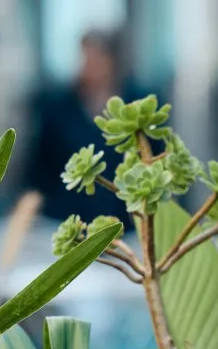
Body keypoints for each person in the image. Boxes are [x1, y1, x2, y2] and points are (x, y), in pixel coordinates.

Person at [23, 29, 141, 224]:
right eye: (85, 57)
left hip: (124, 222)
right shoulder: (57, 107)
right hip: (67, 218)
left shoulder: (135, 103)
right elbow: (38, 170)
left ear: (111, 60)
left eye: (96, 58)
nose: (88, 65)